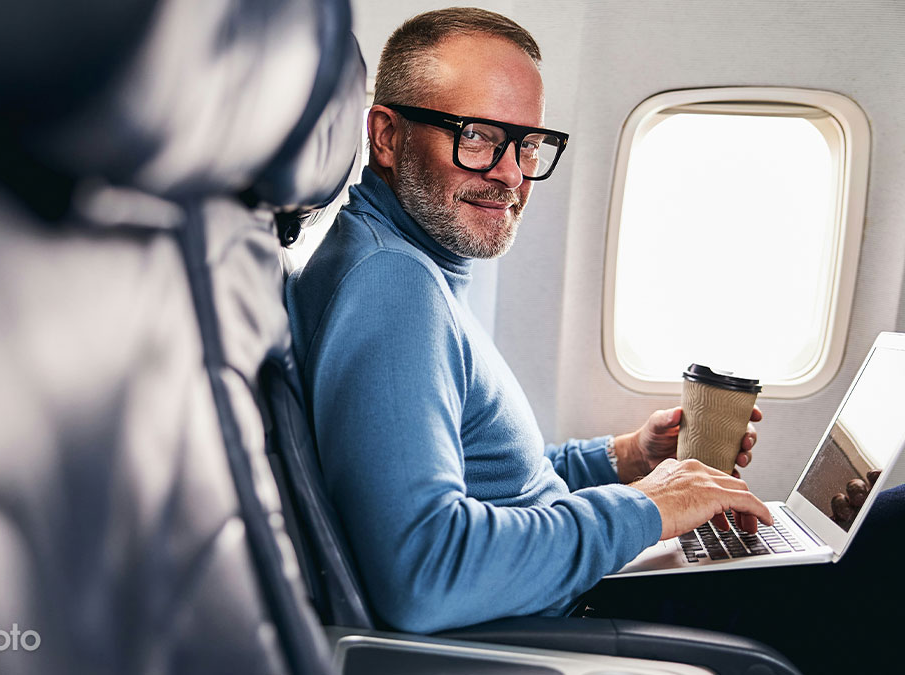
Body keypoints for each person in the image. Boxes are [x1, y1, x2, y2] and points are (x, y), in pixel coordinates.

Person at [286, 7, 902, 671]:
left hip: (556, 587)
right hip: (554, 626)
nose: (512, 174)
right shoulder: (393, 289)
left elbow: (492, 484)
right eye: (479, 137)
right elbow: (425, 572)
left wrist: (628, 455)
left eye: (527, 143)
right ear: (385, 135)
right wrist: (646, 508)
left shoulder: (410, 269)